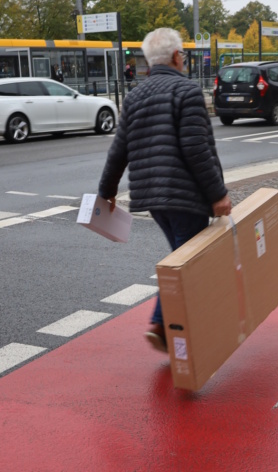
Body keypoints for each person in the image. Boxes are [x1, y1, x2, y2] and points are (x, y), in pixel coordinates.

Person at [98, 27, 232, 352]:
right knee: (187, 266)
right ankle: (163, 325)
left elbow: (119, 150)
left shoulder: (134, 97)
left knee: (180, 258)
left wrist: (106, 192)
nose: (183, 58)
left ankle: (177, 329)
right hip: (187, 197)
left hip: (154, 199)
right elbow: (196, 149)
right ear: (176, 57)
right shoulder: (186, 92)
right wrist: (218, 195)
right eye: (183, 53)